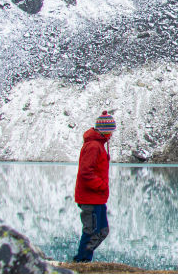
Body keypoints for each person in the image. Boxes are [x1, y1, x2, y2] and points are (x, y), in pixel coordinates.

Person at [73, 110, 116, 262]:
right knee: (91, 231)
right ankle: (81, 262)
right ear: (105, 131)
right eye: (110, 131)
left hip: (97, 198)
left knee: (102, 231)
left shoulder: (98, 145)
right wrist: (102, 185)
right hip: (90, 198)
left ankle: (84, 260)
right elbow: (86, 173)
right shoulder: (93, 146)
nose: (112, 134)